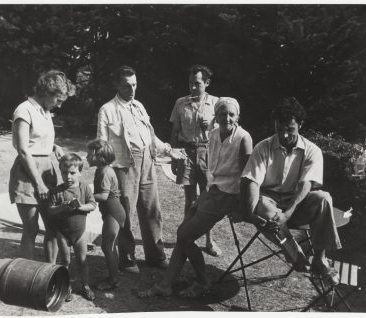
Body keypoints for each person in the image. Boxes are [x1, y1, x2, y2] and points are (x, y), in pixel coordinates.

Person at [139, 97, 253, 298]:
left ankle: (202, 281)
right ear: (216, 116)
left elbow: (246, 177)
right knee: (184, 231)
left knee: (184, 235)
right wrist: (204, 197)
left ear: (238, 117)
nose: (227, 118)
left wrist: (241, 209)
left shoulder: (244, 138)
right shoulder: (215, 134)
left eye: (231, 114)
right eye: (222, 113)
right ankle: (166, 284)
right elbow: (214, 171)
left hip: (230, 195)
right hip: (215, 190)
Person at [235, 97, 341, 285]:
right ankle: (295, 254)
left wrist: (288, 213)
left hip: (297, 203)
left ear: (300, 125)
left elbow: (305, 184)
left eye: (289, 130)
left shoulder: (312, 150)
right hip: (270, 201)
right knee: (265, 208)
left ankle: (320, 258)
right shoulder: (263, 147)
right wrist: (250, 214)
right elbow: (251, 181)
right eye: (279, 129)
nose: (284, 135)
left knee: (324, 198)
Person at [96, 65, 184, 273]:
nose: (132, 89)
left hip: (147, 160)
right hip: (125, 164)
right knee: (125, 211)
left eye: (134, 84)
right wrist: (104, 169)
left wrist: (168, 151)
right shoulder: (107, 109)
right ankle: (127, 258)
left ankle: (156, 255)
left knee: (152, 209)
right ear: (117, 85)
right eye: (127, 86)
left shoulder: (139, 106)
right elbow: (101, 142)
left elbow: (151, 137)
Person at [8, 70, 75, 261]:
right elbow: (23, 149)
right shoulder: (24, 110)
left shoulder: (45, 111)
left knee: (52, 225)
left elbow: (35, 139)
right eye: (59, 100)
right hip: (28, 173)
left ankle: (49, 272)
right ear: (47, 92)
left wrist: (53, 146)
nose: (59, 105)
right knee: (31, 228)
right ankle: (27, 276)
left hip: (47, 169)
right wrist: (38, 182)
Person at [169, 64, 221, 257]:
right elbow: (174, 132)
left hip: (207, 153)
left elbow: (227, 131)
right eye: (190, 83)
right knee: (189, 199)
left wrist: (212, 126)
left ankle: (209, 241)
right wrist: (174, 156)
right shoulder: (180, 103)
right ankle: (185, 238)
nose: (192, 87)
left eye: (197, 83)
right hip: (186, 153)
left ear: (207, 83)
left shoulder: (217, 104)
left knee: (207, 200)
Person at [47, 153, 97, 301]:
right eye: (64, 172)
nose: (68, 177)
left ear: (80, 173)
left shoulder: (84, 188)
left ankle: (86, 285)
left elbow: (93, 205)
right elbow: (50, 210)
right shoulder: (57, 190)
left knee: (82, 260)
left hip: (80, 232)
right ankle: (66, 286)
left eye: (72, 173)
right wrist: (61, 207)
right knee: (65, 261)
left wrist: (80, 207)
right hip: (62, 233)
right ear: (60, 171)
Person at [86, 139, 126, 290]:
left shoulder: (104, 172)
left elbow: (103, 196)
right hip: (112, 211)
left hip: (113, 212)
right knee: (111, 245)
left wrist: (85, 195)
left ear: (99, 156)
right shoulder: (102, 170)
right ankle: (114, 273)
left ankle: (113, 280)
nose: (87, 157)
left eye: (89, 155)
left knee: (107, 246)